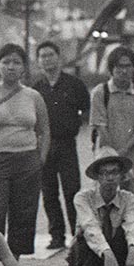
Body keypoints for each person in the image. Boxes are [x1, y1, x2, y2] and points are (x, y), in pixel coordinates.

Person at [0, 43, 50, 258]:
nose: (11, 67)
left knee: (23, 214)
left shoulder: (34, 97)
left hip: (27, 161)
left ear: (24, 67)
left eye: (16, 62)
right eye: (6, 62)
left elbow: (44, 130)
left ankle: (14, 265)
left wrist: (39, 159)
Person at [65, 148, 134, 266]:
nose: (110, 178)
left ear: (121, 176)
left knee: (127, 236)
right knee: (83, 237)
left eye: (114, 172)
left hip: (116, 253)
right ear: (97, 177)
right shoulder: (83, 197)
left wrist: (133, 250)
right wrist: (107, 253)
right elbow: (90, 227)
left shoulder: (128, 198)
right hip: (88, 258)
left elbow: (133, 224)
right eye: (104, 173)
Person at [32, 40, 90, 249]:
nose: (47, 59)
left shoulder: (74, 84)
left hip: (67, 144)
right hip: (45, 145)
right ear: (38, 61)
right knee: (48, 192)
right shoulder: (36, 88)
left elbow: (86, 109)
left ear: (59, 57)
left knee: (72, 190)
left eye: (50, 55)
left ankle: (77, 234)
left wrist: (75, 123)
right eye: (43, 56)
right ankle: (56, 236)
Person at [89, 46, 134, 196]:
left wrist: (124, 151)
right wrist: (114, 155)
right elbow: (100, 126)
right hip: (104, 162)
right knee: (103, 207)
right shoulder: (100, 92)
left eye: (128, 66)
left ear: (133, 68)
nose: (124, 71)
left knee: (130, 208)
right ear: (111, 68)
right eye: (119, 66)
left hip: (131, 161)